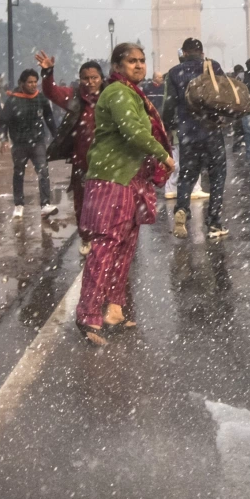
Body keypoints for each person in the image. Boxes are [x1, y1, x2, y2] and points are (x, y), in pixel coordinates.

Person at [75, 42, 174, 346]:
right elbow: (133, 131)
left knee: (124, 249)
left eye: (142, 60)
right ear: (116, 66)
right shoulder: (118, 93)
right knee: (106, 248)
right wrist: (164, 155)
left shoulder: (132, 93)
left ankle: (113, 310)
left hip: (131, 179)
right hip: (112, 178)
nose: (139, 65)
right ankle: (88, 316)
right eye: (132, 61)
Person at [163, 38, 229, 240]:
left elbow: (169, 104)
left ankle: (182, 210)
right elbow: (226, 94)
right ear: (201, 52)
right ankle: (214, 223)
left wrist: (167, 127)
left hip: (187, 133)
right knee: (217, 175)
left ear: (183, 52)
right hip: (211, 130)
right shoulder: (213, 66)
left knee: (187, 175)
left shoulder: (174, 72)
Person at [36, 51, 105, 231]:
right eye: (85, 78)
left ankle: (105, 238)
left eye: (94, 78)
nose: (90, 82)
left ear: (101, 78)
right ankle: (86, 235)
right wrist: (48, 73)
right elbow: (52, 92)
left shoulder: (111, 96)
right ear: (80, 80)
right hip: (82, 160)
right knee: (82, 202)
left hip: (108, 162)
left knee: (107, 203)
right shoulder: (74, 97)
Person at [1, 69, 57, 219]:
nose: (33, 85)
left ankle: (45, 204)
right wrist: (3, 139)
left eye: (35, 82)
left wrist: (55, 134)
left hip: (38, 141)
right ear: (22, 83)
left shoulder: (40, 98)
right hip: (19, 143)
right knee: (19, 172)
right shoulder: (13, 100)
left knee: (43, 171)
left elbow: (49, 117)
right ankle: (19, 205)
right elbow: (3, 121)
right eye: (30, 82)